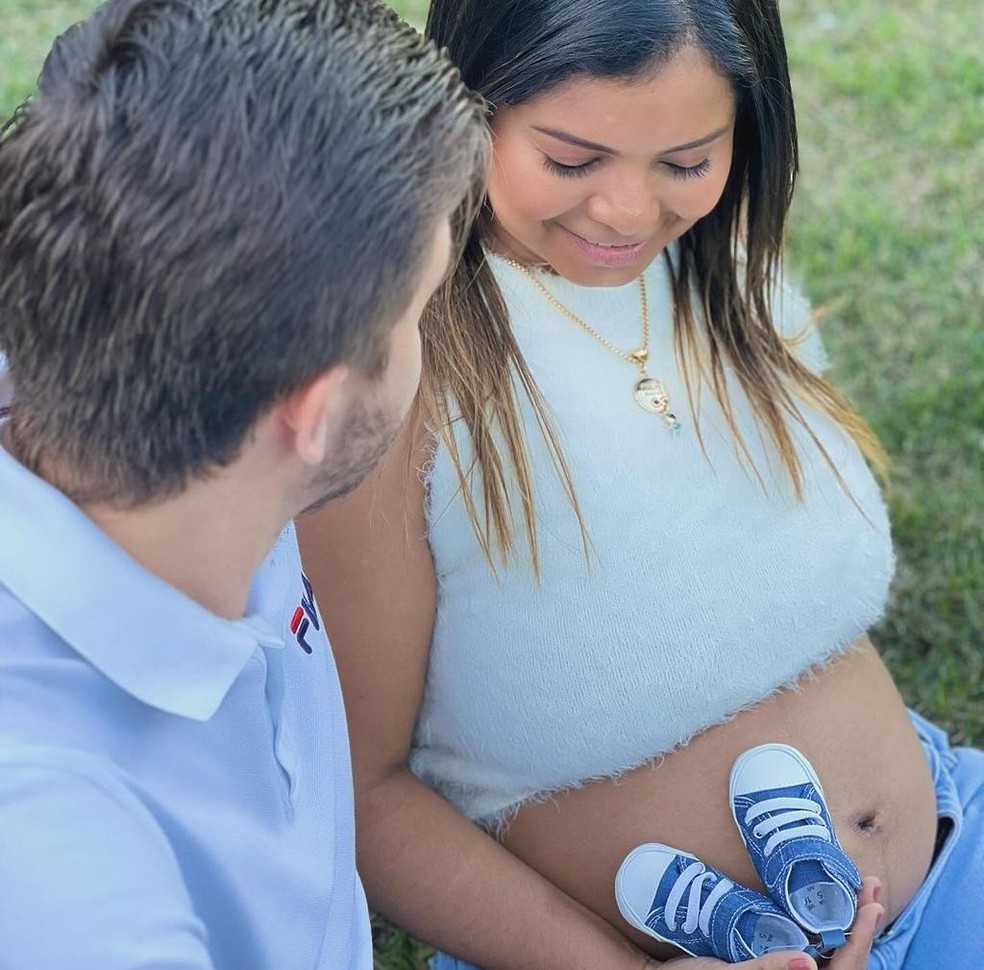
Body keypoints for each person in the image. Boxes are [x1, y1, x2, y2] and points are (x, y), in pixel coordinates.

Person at [296, 1, 984, 969]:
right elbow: (359, 790)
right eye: (572, 160)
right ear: (468, 106)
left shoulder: (729, 280)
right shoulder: (403, 372)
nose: (628, 212)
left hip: (949, 855)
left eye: (687, 162)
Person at [0, 0, 486, 967]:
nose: (425, 345)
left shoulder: (163, 401)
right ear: (309, 411)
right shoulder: (62, 874)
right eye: (420, 311)